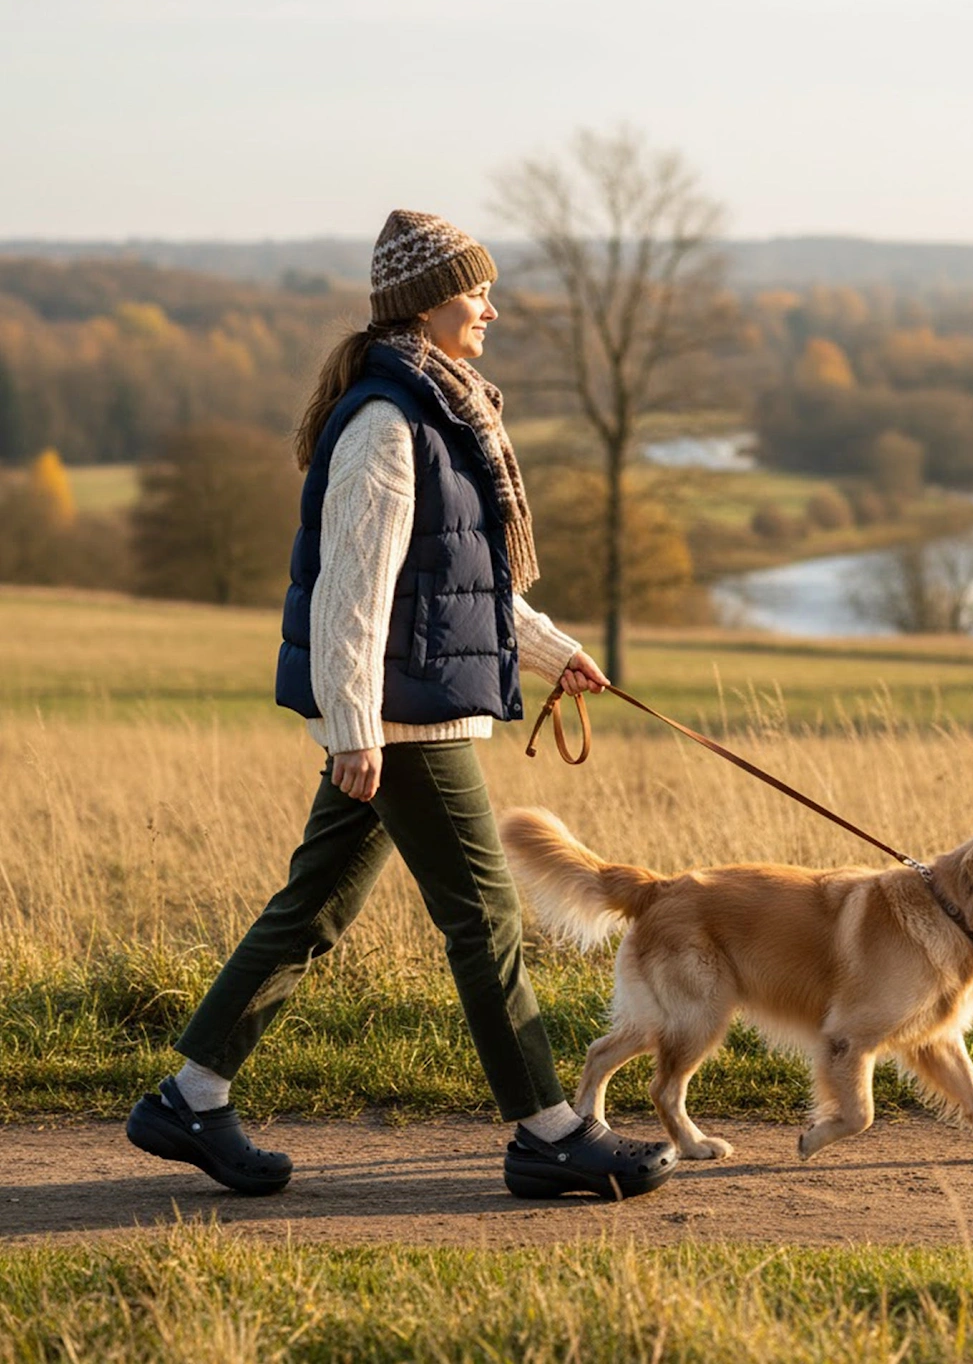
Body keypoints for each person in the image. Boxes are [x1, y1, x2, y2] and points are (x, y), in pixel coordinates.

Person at [126, 210, 678, 1202]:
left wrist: (556, 653)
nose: (492, 309)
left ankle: (191, 1091)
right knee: (487, 916)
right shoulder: (388, 423)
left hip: (402, 709)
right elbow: (354, 588)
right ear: (429, 304)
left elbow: (461, 579)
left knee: (314, 906)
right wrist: (355, 727)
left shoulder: (440, 410)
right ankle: (549, 1129)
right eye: (478, 293)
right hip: (403, 719)